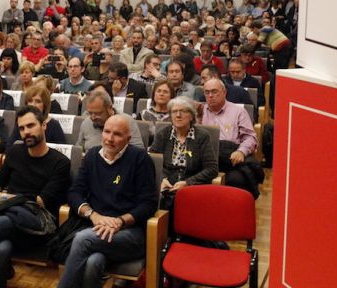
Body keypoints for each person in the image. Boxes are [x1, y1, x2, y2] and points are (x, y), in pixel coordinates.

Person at [0, 106, 71, 288]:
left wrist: (3, 198)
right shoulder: (15, 152)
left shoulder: (60, 163)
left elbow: (41, 201)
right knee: (0, 249)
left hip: (39, 222)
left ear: (44, 125)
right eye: (21, 128)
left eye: (31, 126)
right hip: (8, 218)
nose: (26, 132)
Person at [58, 115, 157, 288]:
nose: (110, 139)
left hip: (130, 233)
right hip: (96, 228)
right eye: (106, 132)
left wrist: (120, 221)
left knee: (83, 240)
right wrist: (93, 214)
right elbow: (75, 193)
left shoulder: (140, 159)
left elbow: (148, 204)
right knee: (93, 262)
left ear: (128, 138)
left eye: (117, 134)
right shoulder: (91, 156)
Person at [150, 97, 218, 209]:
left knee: (176, 202)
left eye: (183, 111)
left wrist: (188, 182)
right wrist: (162, 179)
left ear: (191, 116)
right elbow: (152, 161)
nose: (178, 115)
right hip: (167, 185)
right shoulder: (163, 134)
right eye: (174, 111)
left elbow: (212, 168)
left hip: (192, 185)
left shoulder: (202, 136)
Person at [201, 79, 261, 195]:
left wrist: (241, 152)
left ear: (224, 92)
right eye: (207, 92)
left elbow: (250, 137)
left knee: (237, 181)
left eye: (214, 92)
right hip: (205, 159)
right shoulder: (199, 112)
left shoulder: (238, 111)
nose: (210, 96)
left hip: (230, 158)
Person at [76, 91, 144, 150]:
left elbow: (138, 151)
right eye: (90, 113)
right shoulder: (86, 123)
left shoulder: (127, 121)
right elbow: (79, 149)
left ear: (110, 108)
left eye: (98, 113)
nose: (93, 117)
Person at [7, 86, 67, 152]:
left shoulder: (54, 125)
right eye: (30, 101)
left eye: (38, 101)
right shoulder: (22, 123)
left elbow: (62, 150)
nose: (33, 105)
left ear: (44, 105)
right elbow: (9, 147)